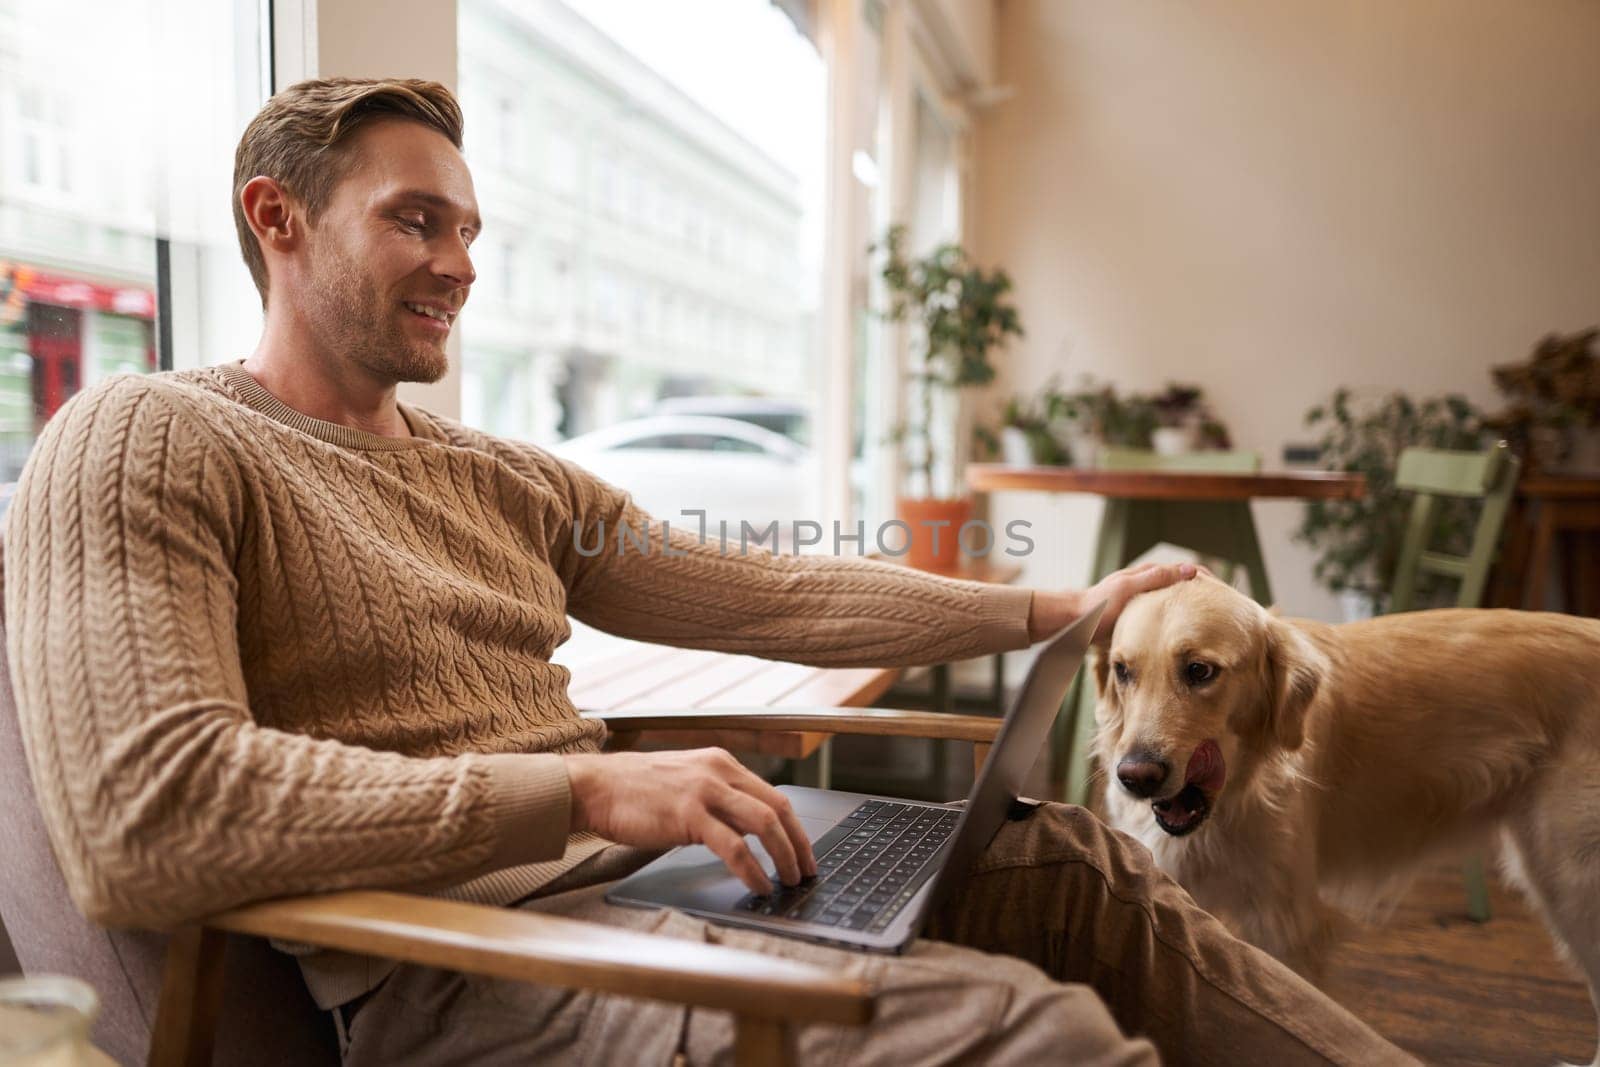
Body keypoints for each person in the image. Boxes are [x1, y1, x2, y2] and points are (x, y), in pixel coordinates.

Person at [2, 78, 1412, 1066]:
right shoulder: (149, 436)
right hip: (471, 968)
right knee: (1031, 1038)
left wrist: (1057, 610)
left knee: (1076, 873)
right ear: (276, 218)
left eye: (471, 230)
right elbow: (151, 813)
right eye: (416, 221)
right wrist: (585, 784)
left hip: (666, 878)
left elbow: (768, 593)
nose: (459, 262)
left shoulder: (496, 475)